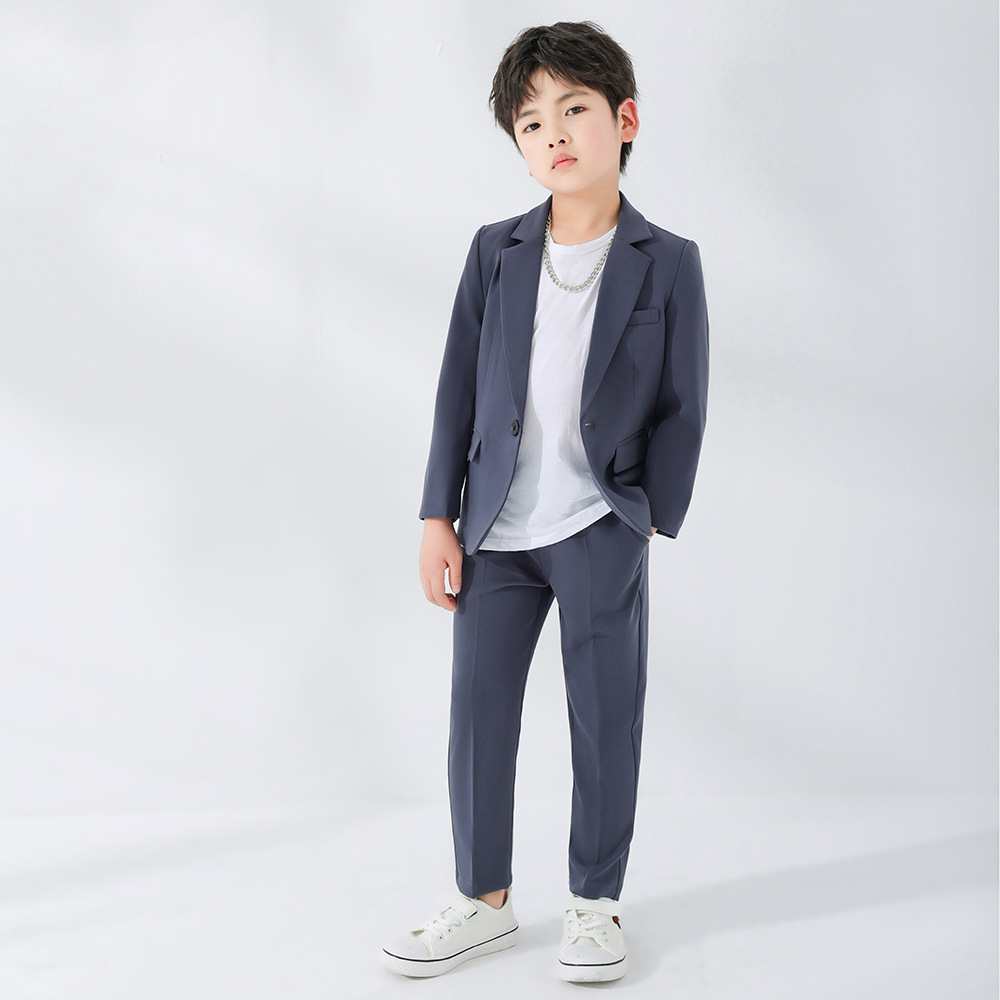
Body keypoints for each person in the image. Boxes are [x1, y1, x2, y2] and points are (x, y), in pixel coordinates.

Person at [381, 20, 709, 983]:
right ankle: (482, 901)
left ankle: (595, 905)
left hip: (600, 525)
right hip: (494, 529)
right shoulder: (495, 252)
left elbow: (685, 402)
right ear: (519, 146)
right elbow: (456, 387)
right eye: (531, 122)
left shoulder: (667, 260)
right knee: (477, 714)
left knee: (606, 717)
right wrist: (437, 515)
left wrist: (647, 514)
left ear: (624, 120)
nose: (554, 133)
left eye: (574, 108)